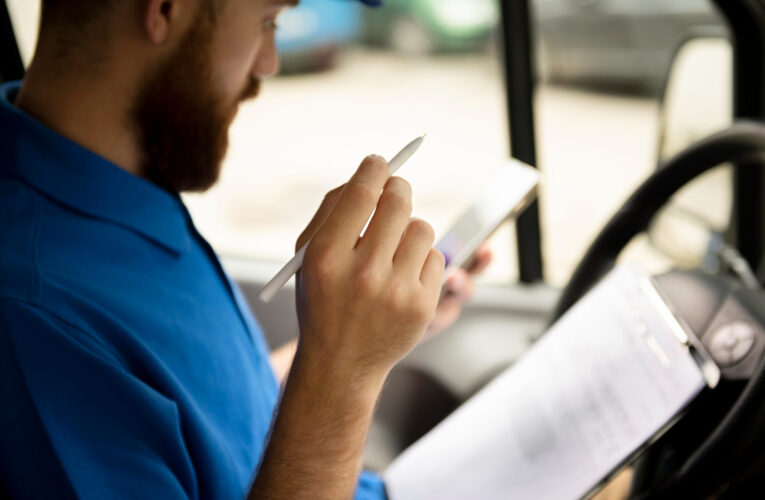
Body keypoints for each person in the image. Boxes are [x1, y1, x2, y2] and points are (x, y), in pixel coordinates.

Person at [0, 0, 491, 498]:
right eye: (267, 22)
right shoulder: (34, 317)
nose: (269, 64)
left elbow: (222, 415)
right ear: (166, 9)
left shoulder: (122, 191)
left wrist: (359, 335)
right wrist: (343, 374)